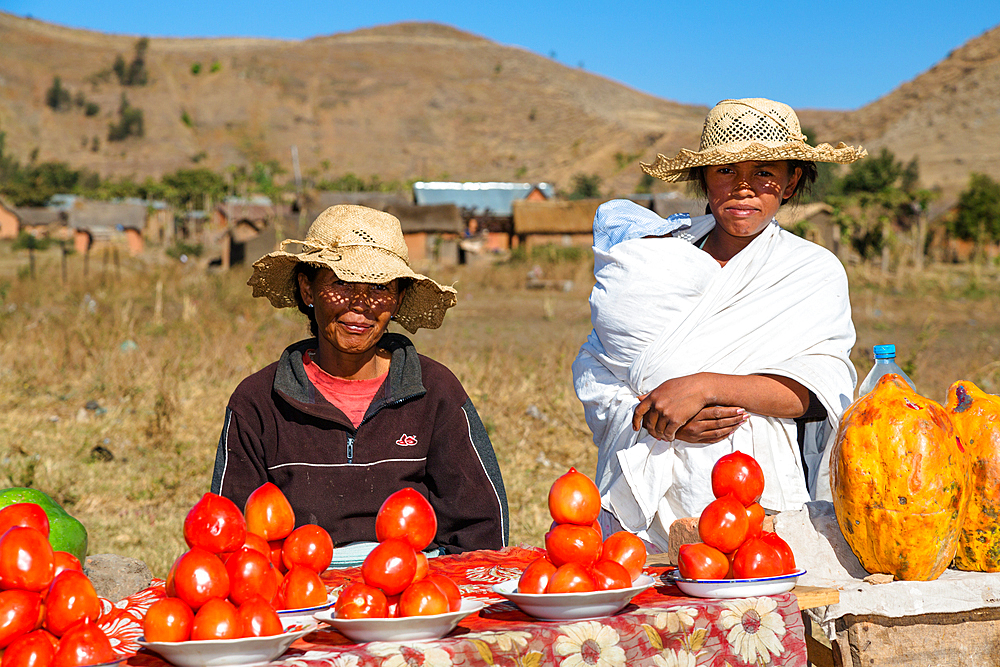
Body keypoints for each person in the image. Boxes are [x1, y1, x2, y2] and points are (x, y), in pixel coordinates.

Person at [573, 98, 866, 552]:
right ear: (704, 179)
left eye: (765, 172)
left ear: (791, 182)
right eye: (726, 170)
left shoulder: (809, 271)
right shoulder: (653, 262)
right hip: (642, 497)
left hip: (753, 493)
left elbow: (818, 389)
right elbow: (599, 366)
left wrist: (707, 387)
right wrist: (657, 419)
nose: (744, 187)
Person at [212, 204, 509, 555]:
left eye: (380, 288)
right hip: (299, 600)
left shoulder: (436, 392)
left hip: (415, 596)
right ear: (307, 291)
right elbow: (228, 538)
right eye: (341, 283)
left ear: (398, 300)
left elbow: (480, 531)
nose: (360, 305)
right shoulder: (258, 402)